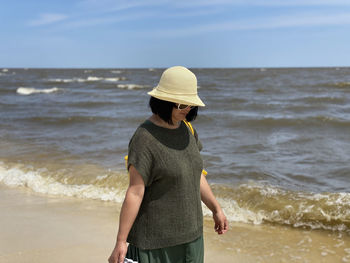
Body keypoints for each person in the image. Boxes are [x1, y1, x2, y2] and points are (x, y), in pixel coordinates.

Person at [108, 66, 228, 263]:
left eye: (190, 104)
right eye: (181, 105)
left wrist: (216, 209)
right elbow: (135, 192)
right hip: (155, 242)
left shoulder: (188, 129)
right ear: (163, 102)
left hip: (192, 237)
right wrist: (121, 241)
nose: (188, 109)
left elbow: (196, 174)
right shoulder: (144, 138)